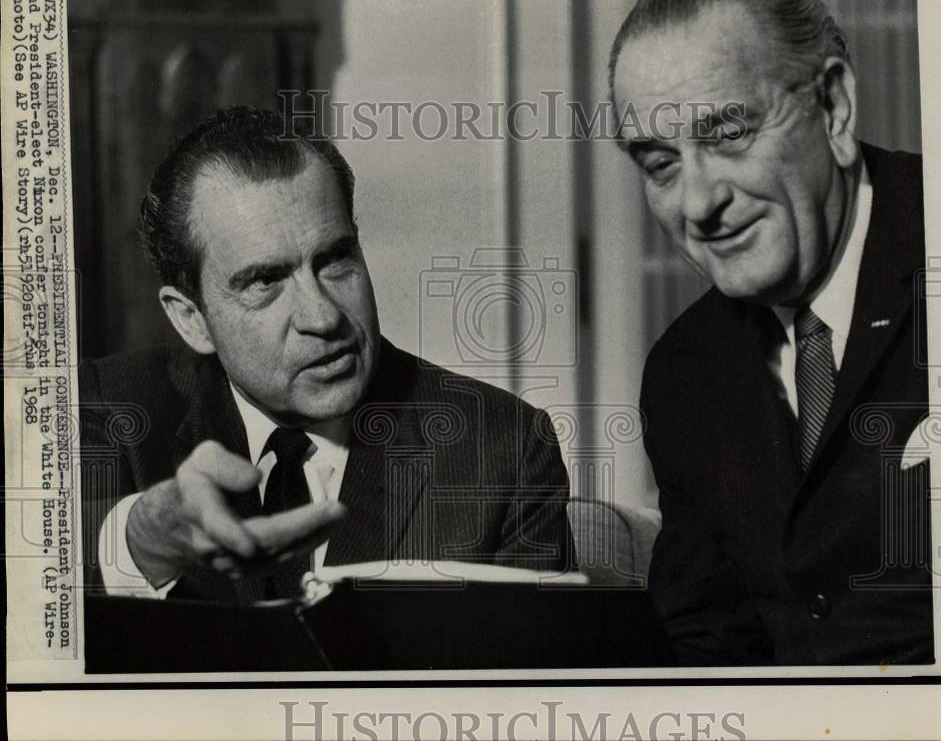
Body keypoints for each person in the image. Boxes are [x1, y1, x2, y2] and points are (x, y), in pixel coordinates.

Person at [80, 106, 573, 604]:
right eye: (265, 281)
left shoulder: (502, 449)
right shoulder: (108, 408)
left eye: (336, 259)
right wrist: (142, 540)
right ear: (192, 319)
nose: (323, 318)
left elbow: (526, 680)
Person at [610, 0, 932, 664]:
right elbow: (706, 644)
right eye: (661, 163)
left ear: (834, 108)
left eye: (727, 134)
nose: (698, 205)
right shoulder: (684, 372)